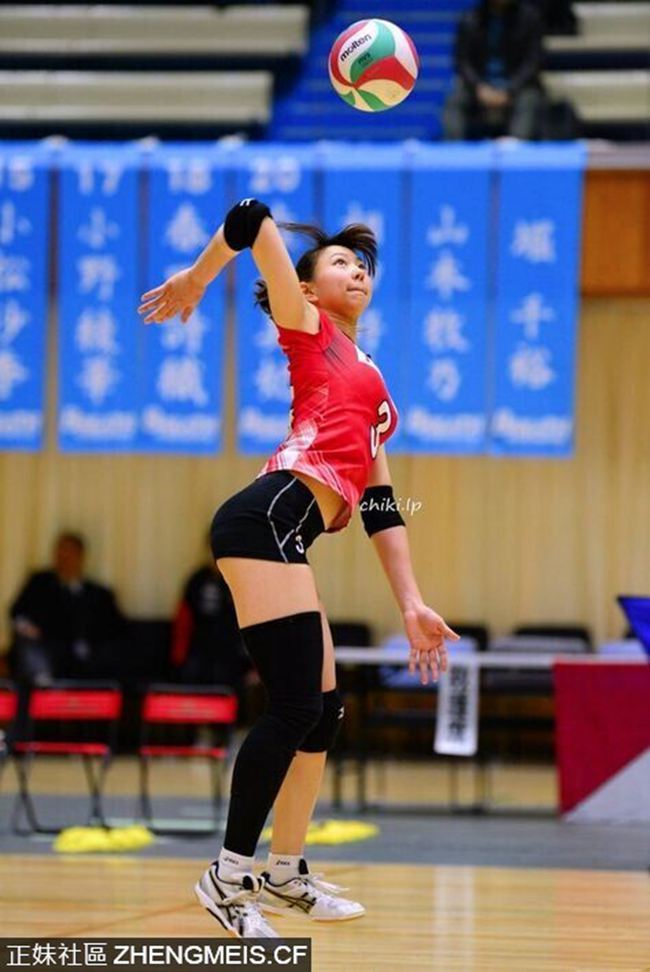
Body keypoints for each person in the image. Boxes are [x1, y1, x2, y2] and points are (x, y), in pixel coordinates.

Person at [138, 198, 459, 938]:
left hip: (288, 534)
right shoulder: (307, 326)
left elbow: (380, 505)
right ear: (308, 288)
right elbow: (251, 217)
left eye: (363, 265)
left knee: (323, 709)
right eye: (341, 262)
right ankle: (227, 877)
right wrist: (196, 278)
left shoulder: (372, 380)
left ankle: (284, 871)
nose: (358, 271)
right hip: (263, 520)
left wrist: (412, 603)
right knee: (292, 707)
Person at [9, 531, 128, 685]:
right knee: (30, 649)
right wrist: (26, 628)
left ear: (81, 556)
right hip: (46, 649)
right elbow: (17, 612)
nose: (63, 557)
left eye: (69, 552)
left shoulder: (99, 594)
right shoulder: (39, 583)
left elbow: (116, 628)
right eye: (60, 551)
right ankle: (43, 688)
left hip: (86, 654)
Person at [442, 0, 546, 141]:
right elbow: (462, 62)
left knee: (529, 99)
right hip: (479, 88)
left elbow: (533, 62)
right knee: (454, 100)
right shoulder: (470, 18)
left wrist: (510, 90)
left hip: (518, 87)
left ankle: (516, 149)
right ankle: (454, 149)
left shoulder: (530, 18)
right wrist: (479, 86)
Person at [171, 543, 252, 695]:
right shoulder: (197, 580)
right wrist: (179, 658)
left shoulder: (239, 579)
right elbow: (183, 622)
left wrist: (254, 666)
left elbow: (252, 622)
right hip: (198, 656)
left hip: (231, 658)